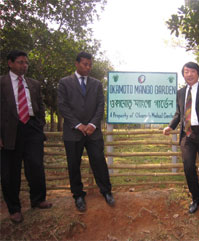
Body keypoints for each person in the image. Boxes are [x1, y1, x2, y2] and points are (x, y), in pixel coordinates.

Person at [163, 62, 199, 226]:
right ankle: (197, 198)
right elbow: (179, 113)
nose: (189, 74)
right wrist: (170, 126)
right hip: (187, 136)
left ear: (198, 73)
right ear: (183, 74)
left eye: (192, 71)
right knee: (188, 168)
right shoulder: (180, 92)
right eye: (186, 72)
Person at [58, 52, 114, 212]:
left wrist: (92, 124)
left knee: (98, 161)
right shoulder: (64, 83)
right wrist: (78, 125)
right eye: (85, 64)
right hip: (73, 132)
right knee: (73, 164)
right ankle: (78, 195)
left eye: (90, 64)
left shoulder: (96, 84)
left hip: (93, 132)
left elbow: (100, 106)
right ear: (76, 64)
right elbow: (62, 106)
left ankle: (106, 191)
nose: (88, 67)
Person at [0, 50, 52, 223]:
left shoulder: (34, 84)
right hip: (9, 131)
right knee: (10, 172)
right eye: (20, 62)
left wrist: (39, 124)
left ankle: (38, 200)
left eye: (26, 62)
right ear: (10, 63)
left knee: (36, 166)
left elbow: (40, 106)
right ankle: (14, 209)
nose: (24, 65)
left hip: (32, 129)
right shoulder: (2, 83)